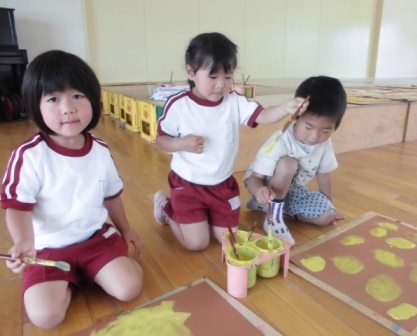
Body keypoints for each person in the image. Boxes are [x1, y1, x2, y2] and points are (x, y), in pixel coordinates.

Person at [0, 50, 143, 329]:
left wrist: (126, 229)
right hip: (47, 251)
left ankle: (85, 273)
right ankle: (73, 279)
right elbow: (16, 206)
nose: (68, 107)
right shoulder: (29, 155)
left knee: (129, 289)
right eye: (53, 99)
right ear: (34, 106)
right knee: (45, 317)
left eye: (78, 96)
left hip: (95, 240)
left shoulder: (100, 151)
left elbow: (112, 195)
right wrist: (24, 241)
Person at [153, 32, 308, 251]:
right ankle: (165, 207)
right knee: (197, 243)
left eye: (227, 77)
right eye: (213, 77)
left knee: (229, 239)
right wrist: (180, 144)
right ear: (191, 72)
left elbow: (263, 116)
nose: (220, 85)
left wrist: (286, 107)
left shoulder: (234, 102)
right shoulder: (178, 105)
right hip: (188, 185)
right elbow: (160, 140)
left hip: (222, 185)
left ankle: (200, 217)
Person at [244, 76, 347, 245]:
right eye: (309, 127)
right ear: (296, 117)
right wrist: (259, 192)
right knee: (288, 163)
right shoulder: (281, 140)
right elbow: (254, 179)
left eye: (326, 131)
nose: (315, 137)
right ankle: (271, 215)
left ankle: (269, 207)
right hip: (266, 185)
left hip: (292, 189)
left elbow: (324, 174)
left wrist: (330, 205)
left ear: (335, 127)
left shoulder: (324, 143)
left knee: (325, 217)